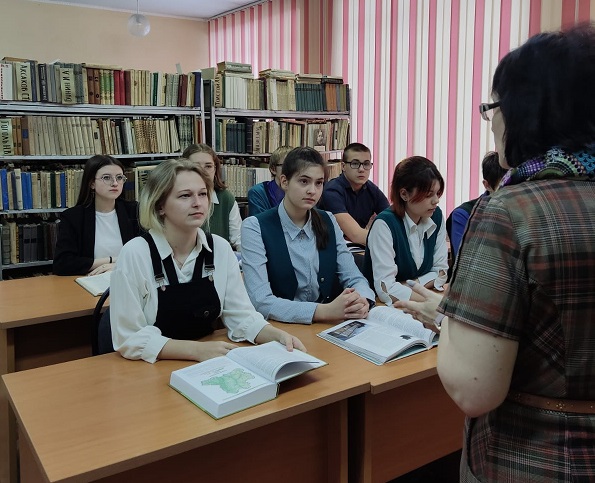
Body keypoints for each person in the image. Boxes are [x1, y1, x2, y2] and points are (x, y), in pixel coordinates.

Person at [396, 25, 595, 482]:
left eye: (493, 107)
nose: (491, 121)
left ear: (528, 109)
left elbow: (474, 388)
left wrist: (450, 319)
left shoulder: (509, 209)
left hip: (536, 459)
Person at [109, 158, 305, 363]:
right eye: (185, 196)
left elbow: (242, 316)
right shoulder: (135, 253)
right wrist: (195, 351)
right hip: (153, 366)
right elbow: (129, 337)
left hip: (207, 363)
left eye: (203, 194)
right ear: (160, 206)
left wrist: (277, 336)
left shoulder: (220, 248)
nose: (197, 203)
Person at [241, 146, 375, 324]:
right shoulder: (255, 227)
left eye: (319, 183)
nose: (312, 190)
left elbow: (354, 277)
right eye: (304, 181)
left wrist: (363, 300)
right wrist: (325, 311)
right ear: (284, 182)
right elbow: (261, 302)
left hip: (325, 326)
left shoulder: (328, 220)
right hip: (281, 327)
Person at [364, 156, 448, 303]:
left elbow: (441, 272)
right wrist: (432, 302)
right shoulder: (384, 224)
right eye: (429, 195)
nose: (436, 200)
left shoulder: (436, 216)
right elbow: (386, 291)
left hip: (415, 302)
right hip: (382, 307)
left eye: (438, 193)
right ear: (404, 194)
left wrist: (408, 285)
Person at [53, 155, 141, 276]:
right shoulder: (73, 217)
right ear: (92, 183)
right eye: (107, 178)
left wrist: (118, 265)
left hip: (129, 277)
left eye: (119, 177)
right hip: (92, 280)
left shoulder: (134, 211)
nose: (115, 183)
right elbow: (62, 263)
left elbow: (149, 253)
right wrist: (111, 261)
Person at [319, 143, 389, 246]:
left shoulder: (371, 189)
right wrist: (391, 240)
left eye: (366, 164)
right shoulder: (332, 191)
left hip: (359, 247)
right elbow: (356, 235)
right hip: (332, 247)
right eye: (355, 164)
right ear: (343, 166)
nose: (361, 169)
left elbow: (393, 220)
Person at [446, 151, 507, 262]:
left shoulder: (520, 209)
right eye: (504, 188)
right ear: (487, 185)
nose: (511, 194)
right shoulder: (463, 214)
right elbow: (464, 261)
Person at [182, 143, 241, 251]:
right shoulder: (175, 198)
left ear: (215, 169)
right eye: (196, 166)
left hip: (217, 258)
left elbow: (238, 240)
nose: (202, 171)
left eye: (208, 166)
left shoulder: (226, 198)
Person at [247, 145, 292, 216]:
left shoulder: (301, 191)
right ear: (273, 169)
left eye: (295, 166)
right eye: (286, 166)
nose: (292, 170)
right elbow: (260, 221)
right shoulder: (258, 192)